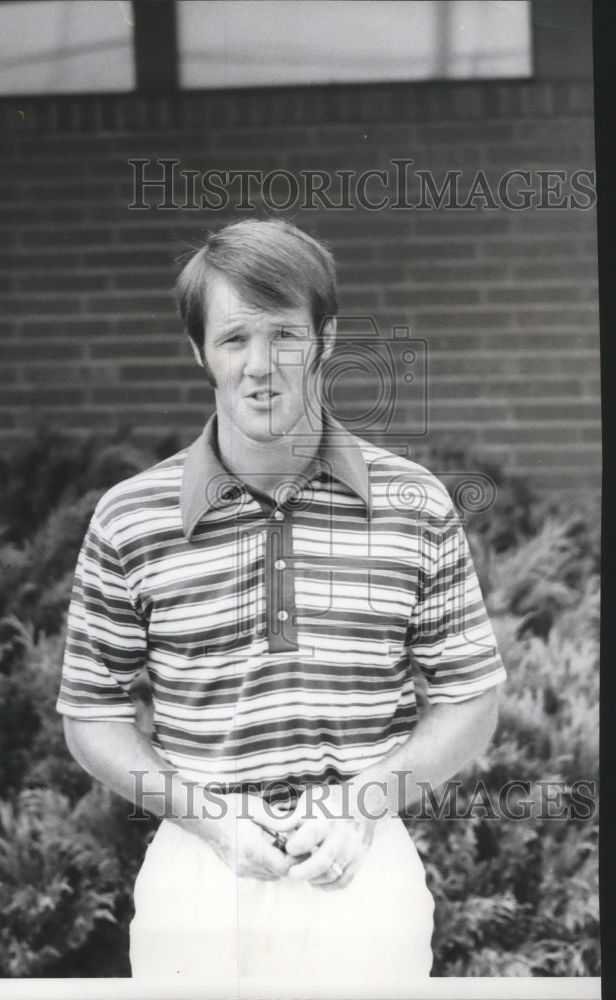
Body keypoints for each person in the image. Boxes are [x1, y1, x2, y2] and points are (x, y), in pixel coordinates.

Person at [56, 219, 506, 982]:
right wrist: (211, 818)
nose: (261, 367)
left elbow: (472, 698)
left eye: (284, 336)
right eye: (234, 339)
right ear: (199, 351)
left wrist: (365, 801)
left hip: (362, 869)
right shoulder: (131, 516)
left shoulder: (414, 504)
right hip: (197, 869)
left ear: (326, 340)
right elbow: (89, 715)